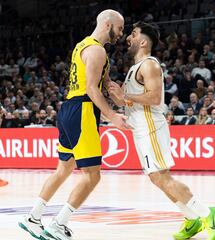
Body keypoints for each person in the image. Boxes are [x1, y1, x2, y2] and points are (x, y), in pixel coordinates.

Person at [18, 9, 131, 240]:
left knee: (64, 169)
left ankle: (33, 217)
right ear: (108, 24)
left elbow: (104, 83)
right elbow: (91, 88)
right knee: (92, 176)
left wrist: (120, 96)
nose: (121, 33)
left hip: (68, 108)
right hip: (83, 110)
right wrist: (112, 115)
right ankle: (59, 224)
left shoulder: (83, 46)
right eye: (120, 28)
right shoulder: (97, 51)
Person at [108, 21, 215, 240]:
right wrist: (117, 96)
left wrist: (125, 96)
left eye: (132, 34)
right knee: (157, 178)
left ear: (143, 41)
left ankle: (208, 213)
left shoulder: (149, 64)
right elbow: (132, 101)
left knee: (163, 177)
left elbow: (154, 98)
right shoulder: (134, 68)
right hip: (139, 126)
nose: (128, 38)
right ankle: (191, 219)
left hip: (150, 125)